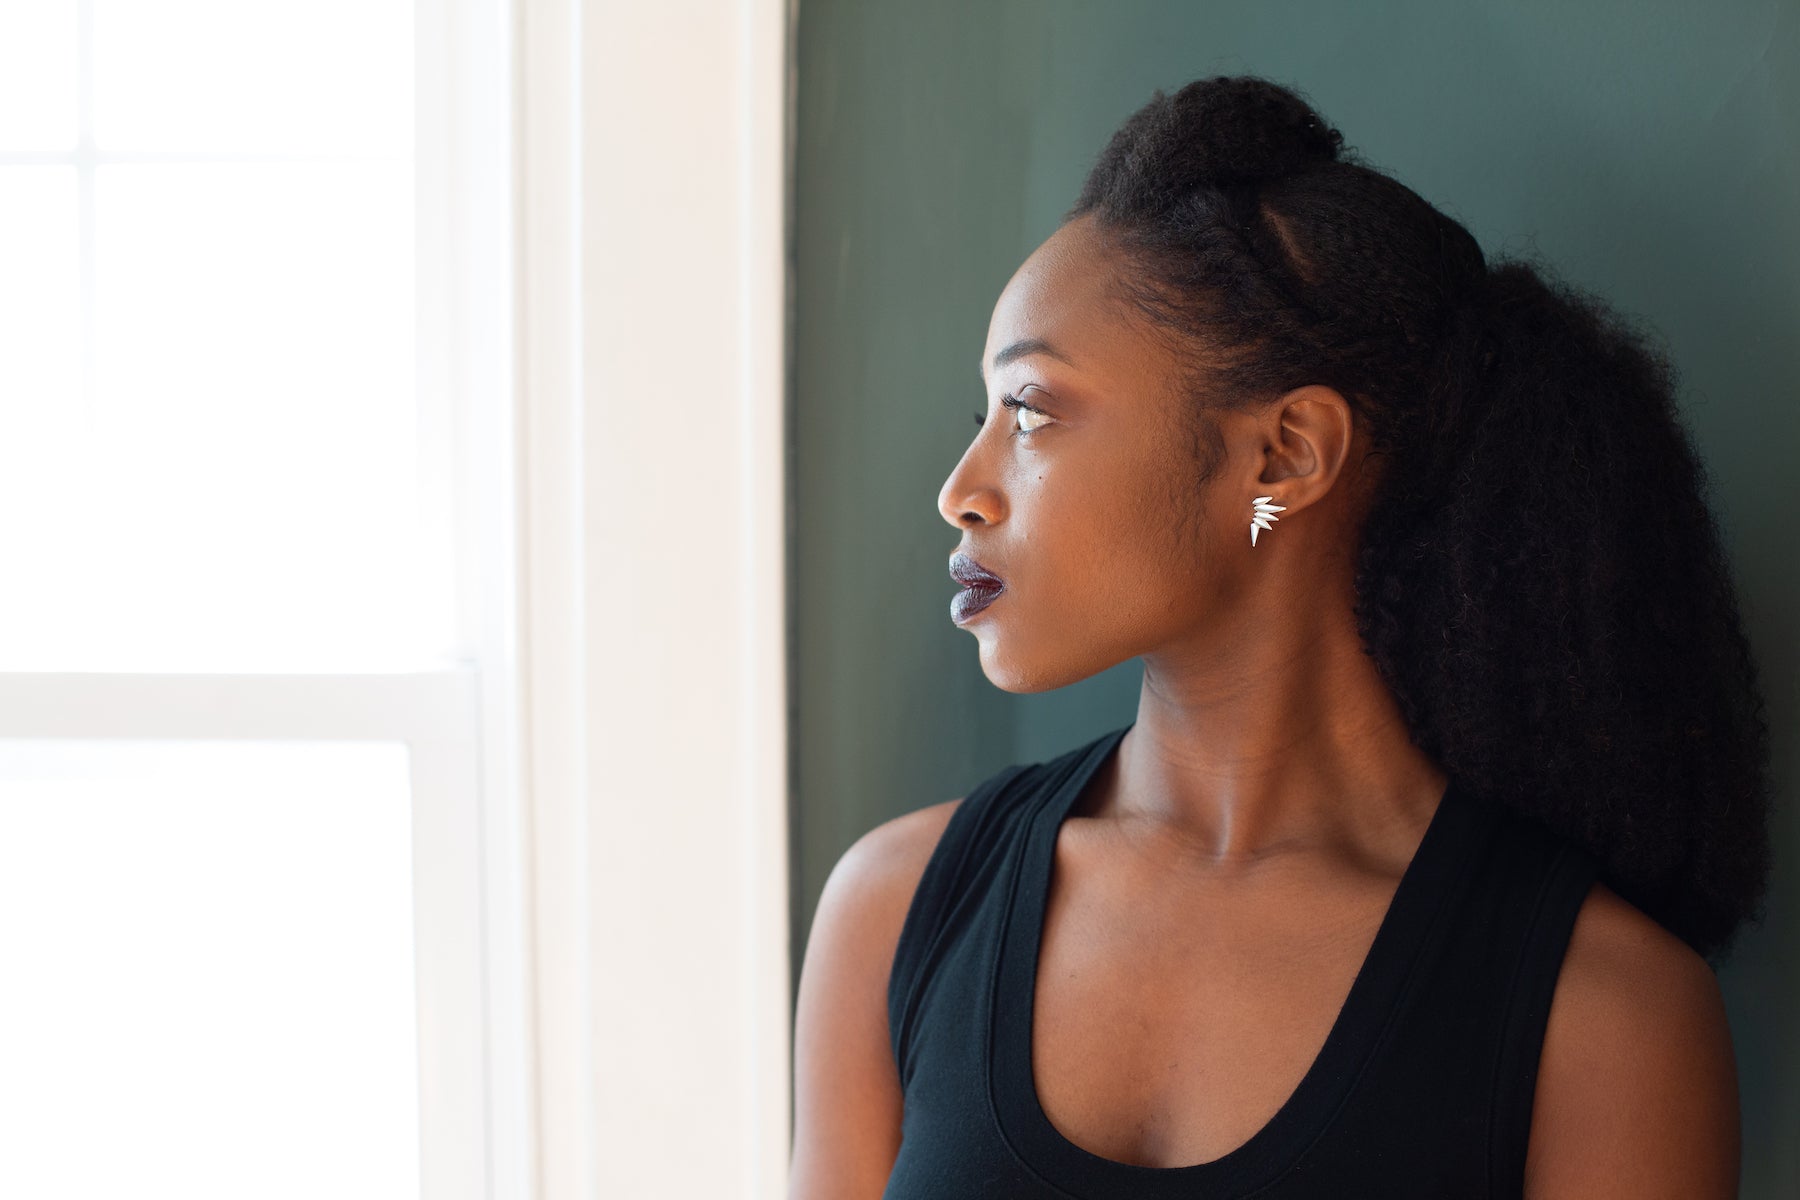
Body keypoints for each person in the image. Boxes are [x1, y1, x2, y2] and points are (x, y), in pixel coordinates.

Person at [789, 75, 1772, 1199]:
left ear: (1284, 459)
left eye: (1031, 414)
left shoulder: (1604, 1017)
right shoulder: (900, 908)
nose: (962, 492)